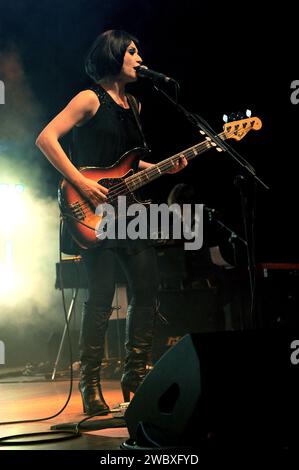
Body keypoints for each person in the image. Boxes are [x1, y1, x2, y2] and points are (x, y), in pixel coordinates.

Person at [36, 29, 186, 415]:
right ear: (113, 54)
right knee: (101, 297)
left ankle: (135, 375)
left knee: (147, 288)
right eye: (132, 52)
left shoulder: (135, 105)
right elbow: (47, 139)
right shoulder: (90, 98)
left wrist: (164, 167)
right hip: (89, 208)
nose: (140, 58)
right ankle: (89, 382)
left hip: (128, 211)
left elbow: (128, 164)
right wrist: (81, 182)